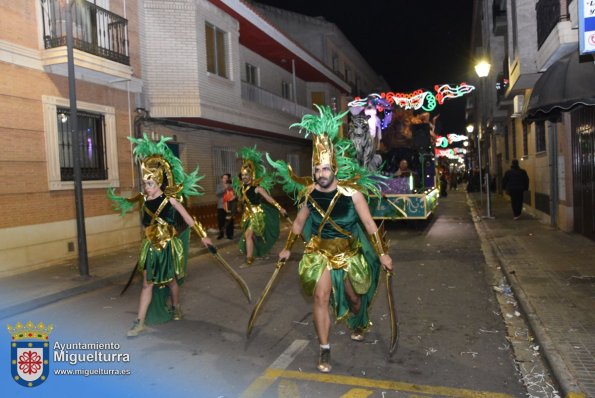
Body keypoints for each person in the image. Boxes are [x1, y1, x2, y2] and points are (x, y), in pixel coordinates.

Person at [269, 105, 393, 373]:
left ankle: (357, 319)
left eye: (325, 169)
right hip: (320, 253)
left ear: (334, 168)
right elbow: (300, 223)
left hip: (348, 254)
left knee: (354, 298)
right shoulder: (310, 194)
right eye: (316, 169)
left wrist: (382, 253)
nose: (320, 174)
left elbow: (370, 225)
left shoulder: (353, 195)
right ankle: (325, 349)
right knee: (320, 297)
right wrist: (287, 249)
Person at [108, 134, 212, 337]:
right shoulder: (144, 202)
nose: (147, 188)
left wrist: (204, 236)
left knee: (171, 281)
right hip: (150, 248)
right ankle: (139, 322)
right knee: (147, 284)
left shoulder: (171, 200)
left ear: (159, 183)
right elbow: (145, 225)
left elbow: (188, 219)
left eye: (151, 184)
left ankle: (176, 306)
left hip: (166, 247)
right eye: (145, 184)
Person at [234, 146, 287, 267]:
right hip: (247, 215)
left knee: (248, 235)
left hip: (257, 214)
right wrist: (238, 205)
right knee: (252, 236)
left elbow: (269, 199)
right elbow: (241, 199)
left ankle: (249, 259)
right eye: (242, 175)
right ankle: (257, 252)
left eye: (247, 175)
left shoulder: (258, 188)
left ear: (251, 175)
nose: (244, 177)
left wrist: (280, 208)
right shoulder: (242, 188)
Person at [216, 173, 235, 239]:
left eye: (227, 178)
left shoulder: (232, 186)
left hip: (229, 206)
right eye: (224, 178)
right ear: (222, 179)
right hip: (221, 206)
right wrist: (225, 188)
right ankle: (221, 234)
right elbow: (218, 194)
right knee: (221, 221)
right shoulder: (219, 186)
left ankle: (229, 234)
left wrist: (234, 197)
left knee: (229, 221)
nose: (225, 179)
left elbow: (235, 194)